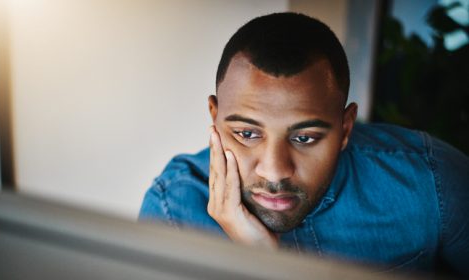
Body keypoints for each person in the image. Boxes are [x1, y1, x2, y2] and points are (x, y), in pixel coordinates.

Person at [138, 12, 469, 276]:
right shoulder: (174, 211)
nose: (274, 170)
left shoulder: (433, 183)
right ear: (215, 117)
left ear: (345, 129)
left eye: (304, 138)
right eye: (247, 134)